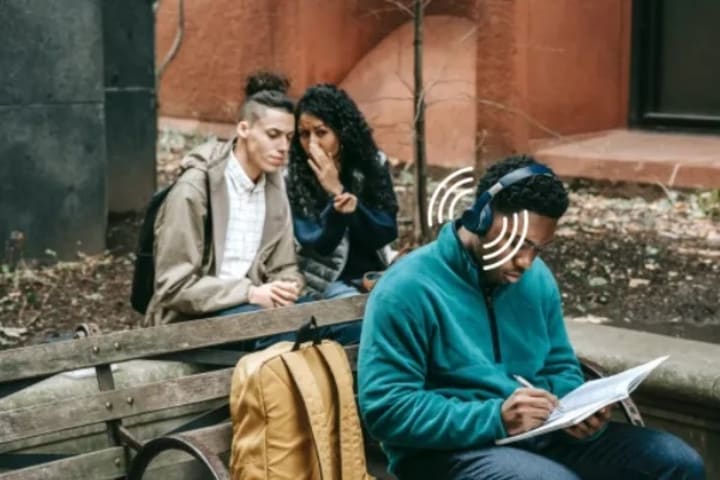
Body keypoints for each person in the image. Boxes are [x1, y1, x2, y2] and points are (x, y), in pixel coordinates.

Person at [357, 155, 705, 480]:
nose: (525, 261)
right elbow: (387, 409)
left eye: (537, 248)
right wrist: (496, 418)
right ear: (480, 217)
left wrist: (576, 410)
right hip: (446, 452)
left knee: (676, 462)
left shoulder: (537, 280)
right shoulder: (406, 288)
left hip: (539, 435)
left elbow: (560, 365)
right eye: (516, 242)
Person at [144, 72, 304, 327]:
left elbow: (284, 266)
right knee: (290, 334)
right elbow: (173, 286)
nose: (284, 147)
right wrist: (249, 292)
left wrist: (287, 287)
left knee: (330, 324)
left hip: (255, 311)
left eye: (289, 137)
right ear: (243, 129)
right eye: (273, 134)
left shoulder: (275, 188)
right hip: (190, 321)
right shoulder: (195, 188)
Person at [286, 84, 399, 302]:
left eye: (321, 132)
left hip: (373, 273)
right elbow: (318, 245)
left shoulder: (371, 164)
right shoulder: (293, 176)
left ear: (342, 132)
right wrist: (336, 205)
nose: (312, 144)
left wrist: (341, 192)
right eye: (304, 134)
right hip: (326, 281)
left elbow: (386, 231)